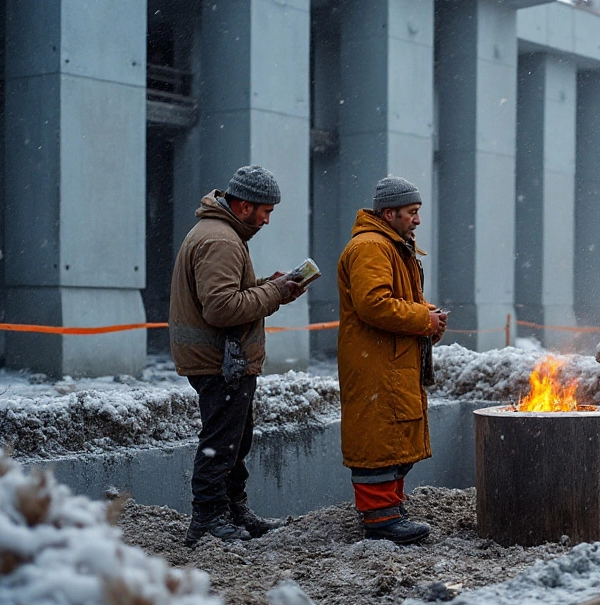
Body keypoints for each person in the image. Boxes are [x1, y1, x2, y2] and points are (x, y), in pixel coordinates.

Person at [169, 165, 306, 547]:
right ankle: (209, 518)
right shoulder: (222, 241)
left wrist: (269, 286)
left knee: (235, 439)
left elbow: (227, 297)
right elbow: (222, 309)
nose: (267, 219)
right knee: (222, 441)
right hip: (219, 360)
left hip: (223, 358)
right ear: (244, 206)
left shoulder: (220, 234)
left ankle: (231, 510)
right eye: (266, 211)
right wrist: (274, 293)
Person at [336, 176, 447, 544]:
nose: (417, 220)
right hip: (378, 364)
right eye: (412, 213)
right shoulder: (371, 247)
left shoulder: (389, 244)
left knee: (393, 434)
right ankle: (381, 519)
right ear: (389, 212)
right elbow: (373, 304)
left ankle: (388, 510)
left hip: (390, 360)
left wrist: (427, 316)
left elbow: (393, 298)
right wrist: (422, 319)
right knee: (380, 438)